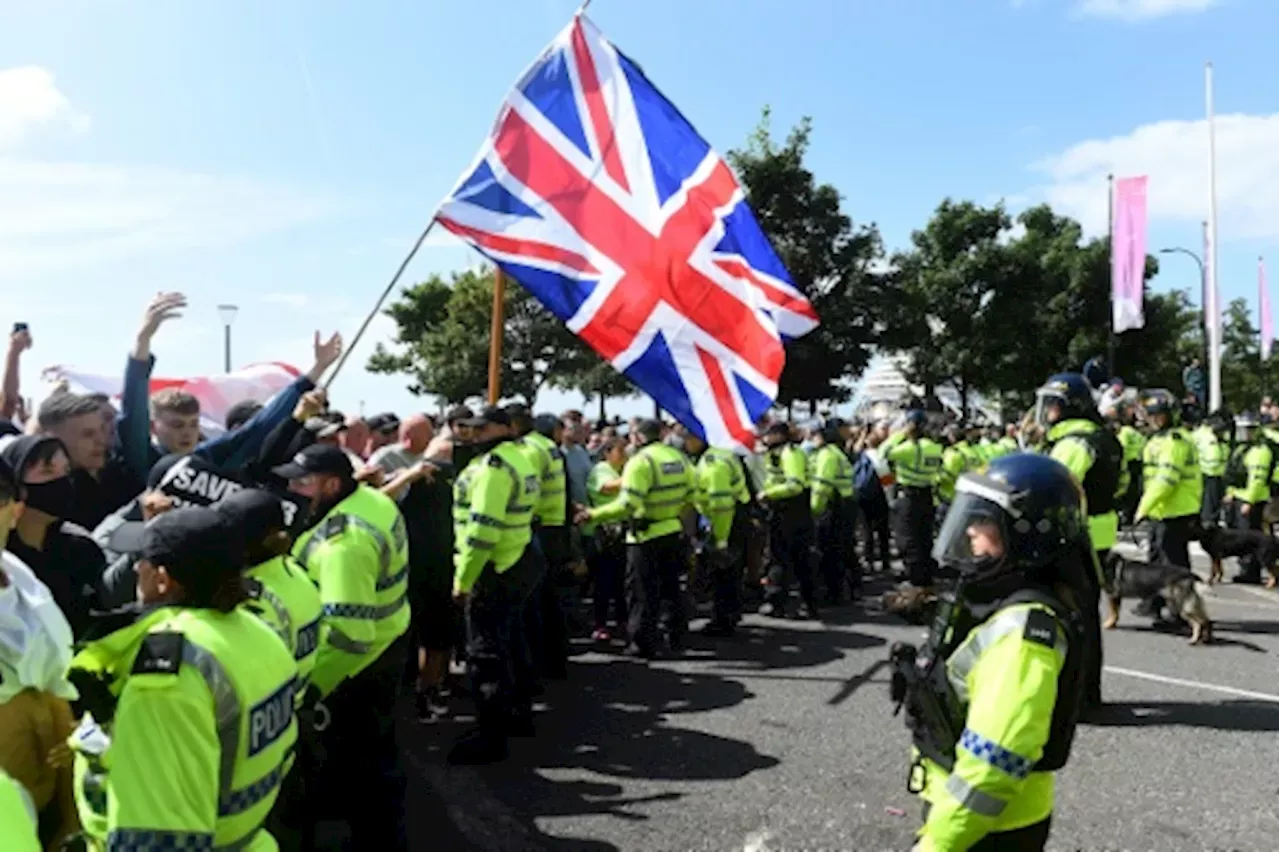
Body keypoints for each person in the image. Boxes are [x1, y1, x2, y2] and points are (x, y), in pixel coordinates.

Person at [68, 506, 297, 850]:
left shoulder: (166, 680)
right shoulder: (258, 632)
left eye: (141, 560)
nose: (134, 567)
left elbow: (160, 838)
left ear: (162, 579)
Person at [900, 454, 1086, 852]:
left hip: (986, 828)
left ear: (1027, 534)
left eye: (983, 521)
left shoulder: (1022, 636)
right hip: (973, 818)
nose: (969, 531)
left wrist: (937, 843)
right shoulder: (1000, 604)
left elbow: (994, 766)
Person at [277, 444, 411, 850]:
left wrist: (313, 687)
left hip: (357, 667)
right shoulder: (370, 500)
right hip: (388, 644)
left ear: (332, 484)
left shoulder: (344, 546)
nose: (294, 489)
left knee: (363, 768)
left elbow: (350, 636)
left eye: (303, 482)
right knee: (376, 757)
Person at [448, 406, 541, 764]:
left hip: (493, 567)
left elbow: (482, 532)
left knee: (485, 654)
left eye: (482, 429)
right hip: (518, 559)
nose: (474, 435)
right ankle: (518, 714)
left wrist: (463, 581)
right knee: (512, 643)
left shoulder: (494, 469)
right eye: (472, 428)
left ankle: (490, 736)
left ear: (504, 428)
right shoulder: (521, 457)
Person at [0, 454, 81, 850]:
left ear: (15, 509)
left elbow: (56, 692)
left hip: (39, 803)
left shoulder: (22, 580)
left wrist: (70, 814)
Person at [1035, 373, 1121, 715]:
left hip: (1074, 535)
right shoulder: (1103, 438)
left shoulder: (1074, 442)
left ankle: (1078, 698)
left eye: (1053, 405)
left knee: (1074, 618)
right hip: (1097, 531)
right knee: (1084, 614)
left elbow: (1051, 487)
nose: (1048, 412)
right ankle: (1086, 694)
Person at [575, 418, 693, 657]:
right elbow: (691, 494)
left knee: (642, 592)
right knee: (672, 589)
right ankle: (676, 639)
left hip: (645, 535)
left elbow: (628, 504)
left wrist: (593, 515)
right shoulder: (678, 458)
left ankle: (643, 642)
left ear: (638, 437)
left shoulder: (641, 462)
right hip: (671, 529)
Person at [0, 435, 106, 638]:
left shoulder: (81, 548)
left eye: (66, 471)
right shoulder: (6, 558)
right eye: (47, 471)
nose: (61, 481)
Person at [1133, 391, 1202, 621]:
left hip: (1175, 511)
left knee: (1173, 566)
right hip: (1161, 509)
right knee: (1154, 561)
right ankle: (1152, 603)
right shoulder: (1157, 439)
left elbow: (1166, 480)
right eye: (1151, 415)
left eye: (1158, 416)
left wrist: (1143, 507)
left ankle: (1180, 612)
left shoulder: (1175, 441)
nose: (1153, 420)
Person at [687, 431, 751, 636]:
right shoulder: (721, 453)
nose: (686, 443)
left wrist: (720, 539)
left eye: (689, 438)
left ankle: (723, 621)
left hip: (726, 520)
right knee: (731, 571)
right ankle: (731, 614)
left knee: (723, 571)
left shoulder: (713, 462)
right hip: (737, 515)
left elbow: (721, 504)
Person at [757, 421, 818, 618]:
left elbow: (795, 485)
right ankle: (777, 602)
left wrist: (768, 493)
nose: (764, 438)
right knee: (779, 557)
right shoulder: (776, 454)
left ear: (778, 436)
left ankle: (806, 604)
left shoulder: (790, 454)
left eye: (768, 434)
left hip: (793, 509)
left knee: (798, 558)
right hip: (782, 510)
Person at [880, 409, 944, 589]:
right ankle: (926, 576)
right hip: (927, 495)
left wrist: (898, 434)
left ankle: (914, 578)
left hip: (908, 497)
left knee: (907, 538)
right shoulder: (934, 447)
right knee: (924, 538)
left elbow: (882, 453)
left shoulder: (908, 448)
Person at [809, 419, 858, 603]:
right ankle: (851, 587)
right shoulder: (838, 453)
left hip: (835, 507)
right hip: (845, 504)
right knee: (844, 549)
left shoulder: (827, 455)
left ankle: (834, 592)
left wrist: (815, 509)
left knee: (830, 550)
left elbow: (823, 486)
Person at [1222, 413, 1273, 585]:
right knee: (1240, 538)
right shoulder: (1242, 449)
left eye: (1249, 429)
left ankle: (1252, 572)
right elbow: (1235, 475)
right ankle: (1244, 569)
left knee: (1251, 539)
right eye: (1243, 429)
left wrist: (1249, 501)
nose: (1245, 433)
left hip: (1252, 500)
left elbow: (1257, 479)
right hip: (1238, 497)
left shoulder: (1261, 451)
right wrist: (1231, 493)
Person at [585, 437, 628, 641]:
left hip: (621, 530)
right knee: (603, 581)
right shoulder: (601, 470)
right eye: (620, 451)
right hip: (605, 530)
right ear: (607, 453)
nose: (624, 455)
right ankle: (600, 623)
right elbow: (606, 488)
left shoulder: (621, 470)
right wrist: (632, 479)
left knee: (621, 581)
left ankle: (622, 621)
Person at [1194, 410, 1231, 529]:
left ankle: (1212, 525)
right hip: (1206, 473)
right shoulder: (1200, 435)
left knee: (1216, 504)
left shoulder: (1218, 434)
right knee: (1208, 505)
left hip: (1220, 473)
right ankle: (1207, 526)